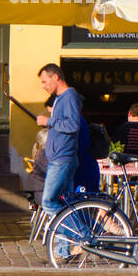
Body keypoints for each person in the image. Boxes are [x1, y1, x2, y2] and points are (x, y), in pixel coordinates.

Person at [35, 64, 86, 219]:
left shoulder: (69, 97)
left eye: (45, 81)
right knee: (64, 205)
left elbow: (72, 125)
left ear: (55, 77)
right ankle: (63, 244)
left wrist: (48, 121)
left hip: (61, 160)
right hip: (60, 158)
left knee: (48, 203)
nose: (43, 86)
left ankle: (80, 233)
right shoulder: (60, 99)